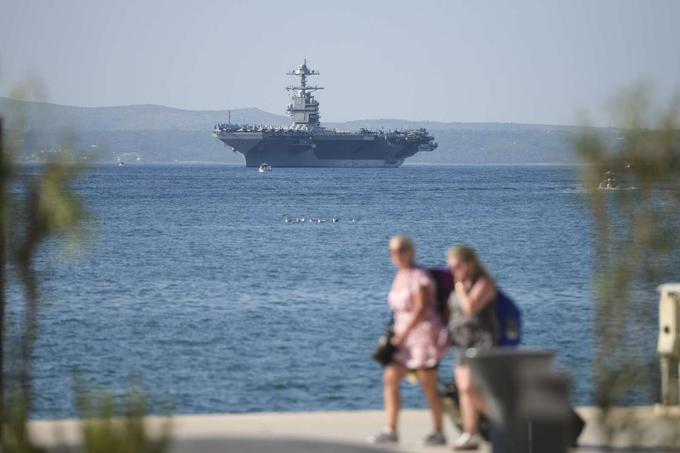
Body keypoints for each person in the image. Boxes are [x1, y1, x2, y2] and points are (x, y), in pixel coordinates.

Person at [371, 235, 450, 446]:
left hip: (423, 337)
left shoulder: (419, 276)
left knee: (428, 385)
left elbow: (421, 308)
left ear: (409, 251)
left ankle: (439, 431)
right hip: (403, 338)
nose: (393, 255)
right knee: (390, 379)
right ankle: (391, 430)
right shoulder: (400, 276)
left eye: (398, 250)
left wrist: (403, 334)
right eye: (391, 251)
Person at [447, 245, 499, 451]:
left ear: (470, 263)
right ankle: (471, 433)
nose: (454, 270)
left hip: (482, 342)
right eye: (451, 267)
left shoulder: (484, 283)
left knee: (469, 387)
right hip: (462, 342)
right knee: (465, 390)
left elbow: (469, 309)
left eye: (458, 265)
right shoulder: (461, 283)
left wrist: (459, 288)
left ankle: (504, 422)